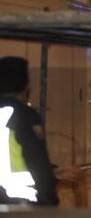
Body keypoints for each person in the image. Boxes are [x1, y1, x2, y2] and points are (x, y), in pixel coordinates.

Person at [0, 56, 79, 205]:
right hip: (20, 203)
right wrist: (50, 201)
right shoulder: (23, 115)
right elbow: (36, 160)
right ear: (25, 86)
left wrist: (53, 172)